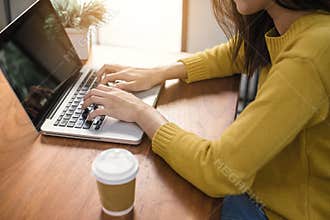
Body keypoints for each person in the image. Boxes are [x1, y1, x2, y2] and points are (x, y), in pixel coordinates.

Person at [83, 0, 330, 219]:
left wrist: (141, 112)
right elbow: (238, 53)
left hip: (276, 211)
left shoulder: (308, 57)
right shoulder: (296, 24)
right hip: (262, 184)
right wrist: (159, 73)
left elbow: (219, 170)